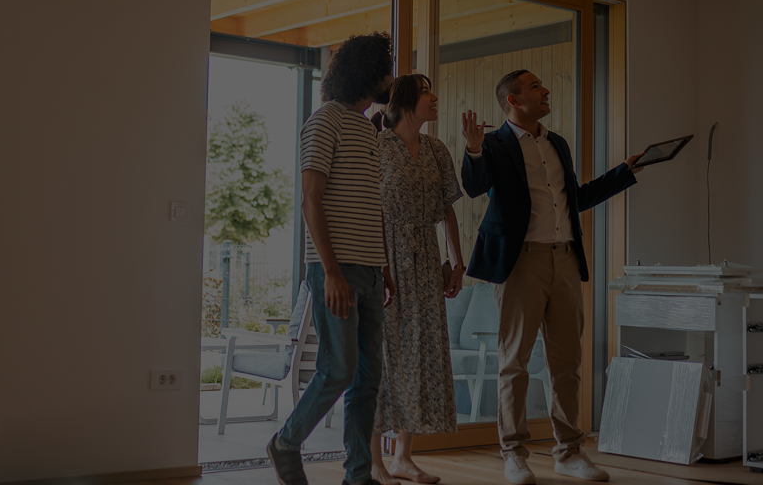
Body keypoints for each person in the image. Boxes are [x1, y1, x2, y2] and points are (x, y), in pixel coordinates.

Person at [460, 69, 646, 484]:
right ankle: (514, 455)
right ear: (512, 100)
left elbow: (573, 199)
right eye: (534, 87)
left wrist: (622, 172)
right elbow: (474, 188)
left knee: (568, 363)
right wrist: (472, 151)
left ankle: (569, 452)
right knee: (515, 363)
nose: (545, 91)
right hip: (519, 262)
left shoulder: (556, 142)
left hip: (564, 259)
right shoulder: (493, 143)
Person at [268, 32, 396, 485]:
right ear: (367, 73)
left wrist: (384, 268)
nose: (391, 78)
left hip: (369, 271)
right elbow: (311, 201)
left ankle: (358, 476)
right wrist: (332, 273)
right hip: (335, 271)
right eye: (386, 69)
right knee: (337, 370)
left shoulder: (368, 129)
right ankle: (285, 442)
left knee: (367, 381)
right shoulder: (324, 122)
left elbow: (371, 203)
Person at [367, 74, 466, 485]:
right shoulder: (377, 146)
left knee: (421, 354)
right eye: (427, 92)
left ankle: (403, 457)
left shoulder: (438, 149)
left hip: (426, 260)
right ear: (406, 101)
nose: (435, 97)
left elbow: (448, 210)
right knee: (384, 358)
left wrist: (457, 262)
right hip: (385, 258)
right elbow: (371, 211)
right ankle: (373, 459)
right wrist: (382, 267)